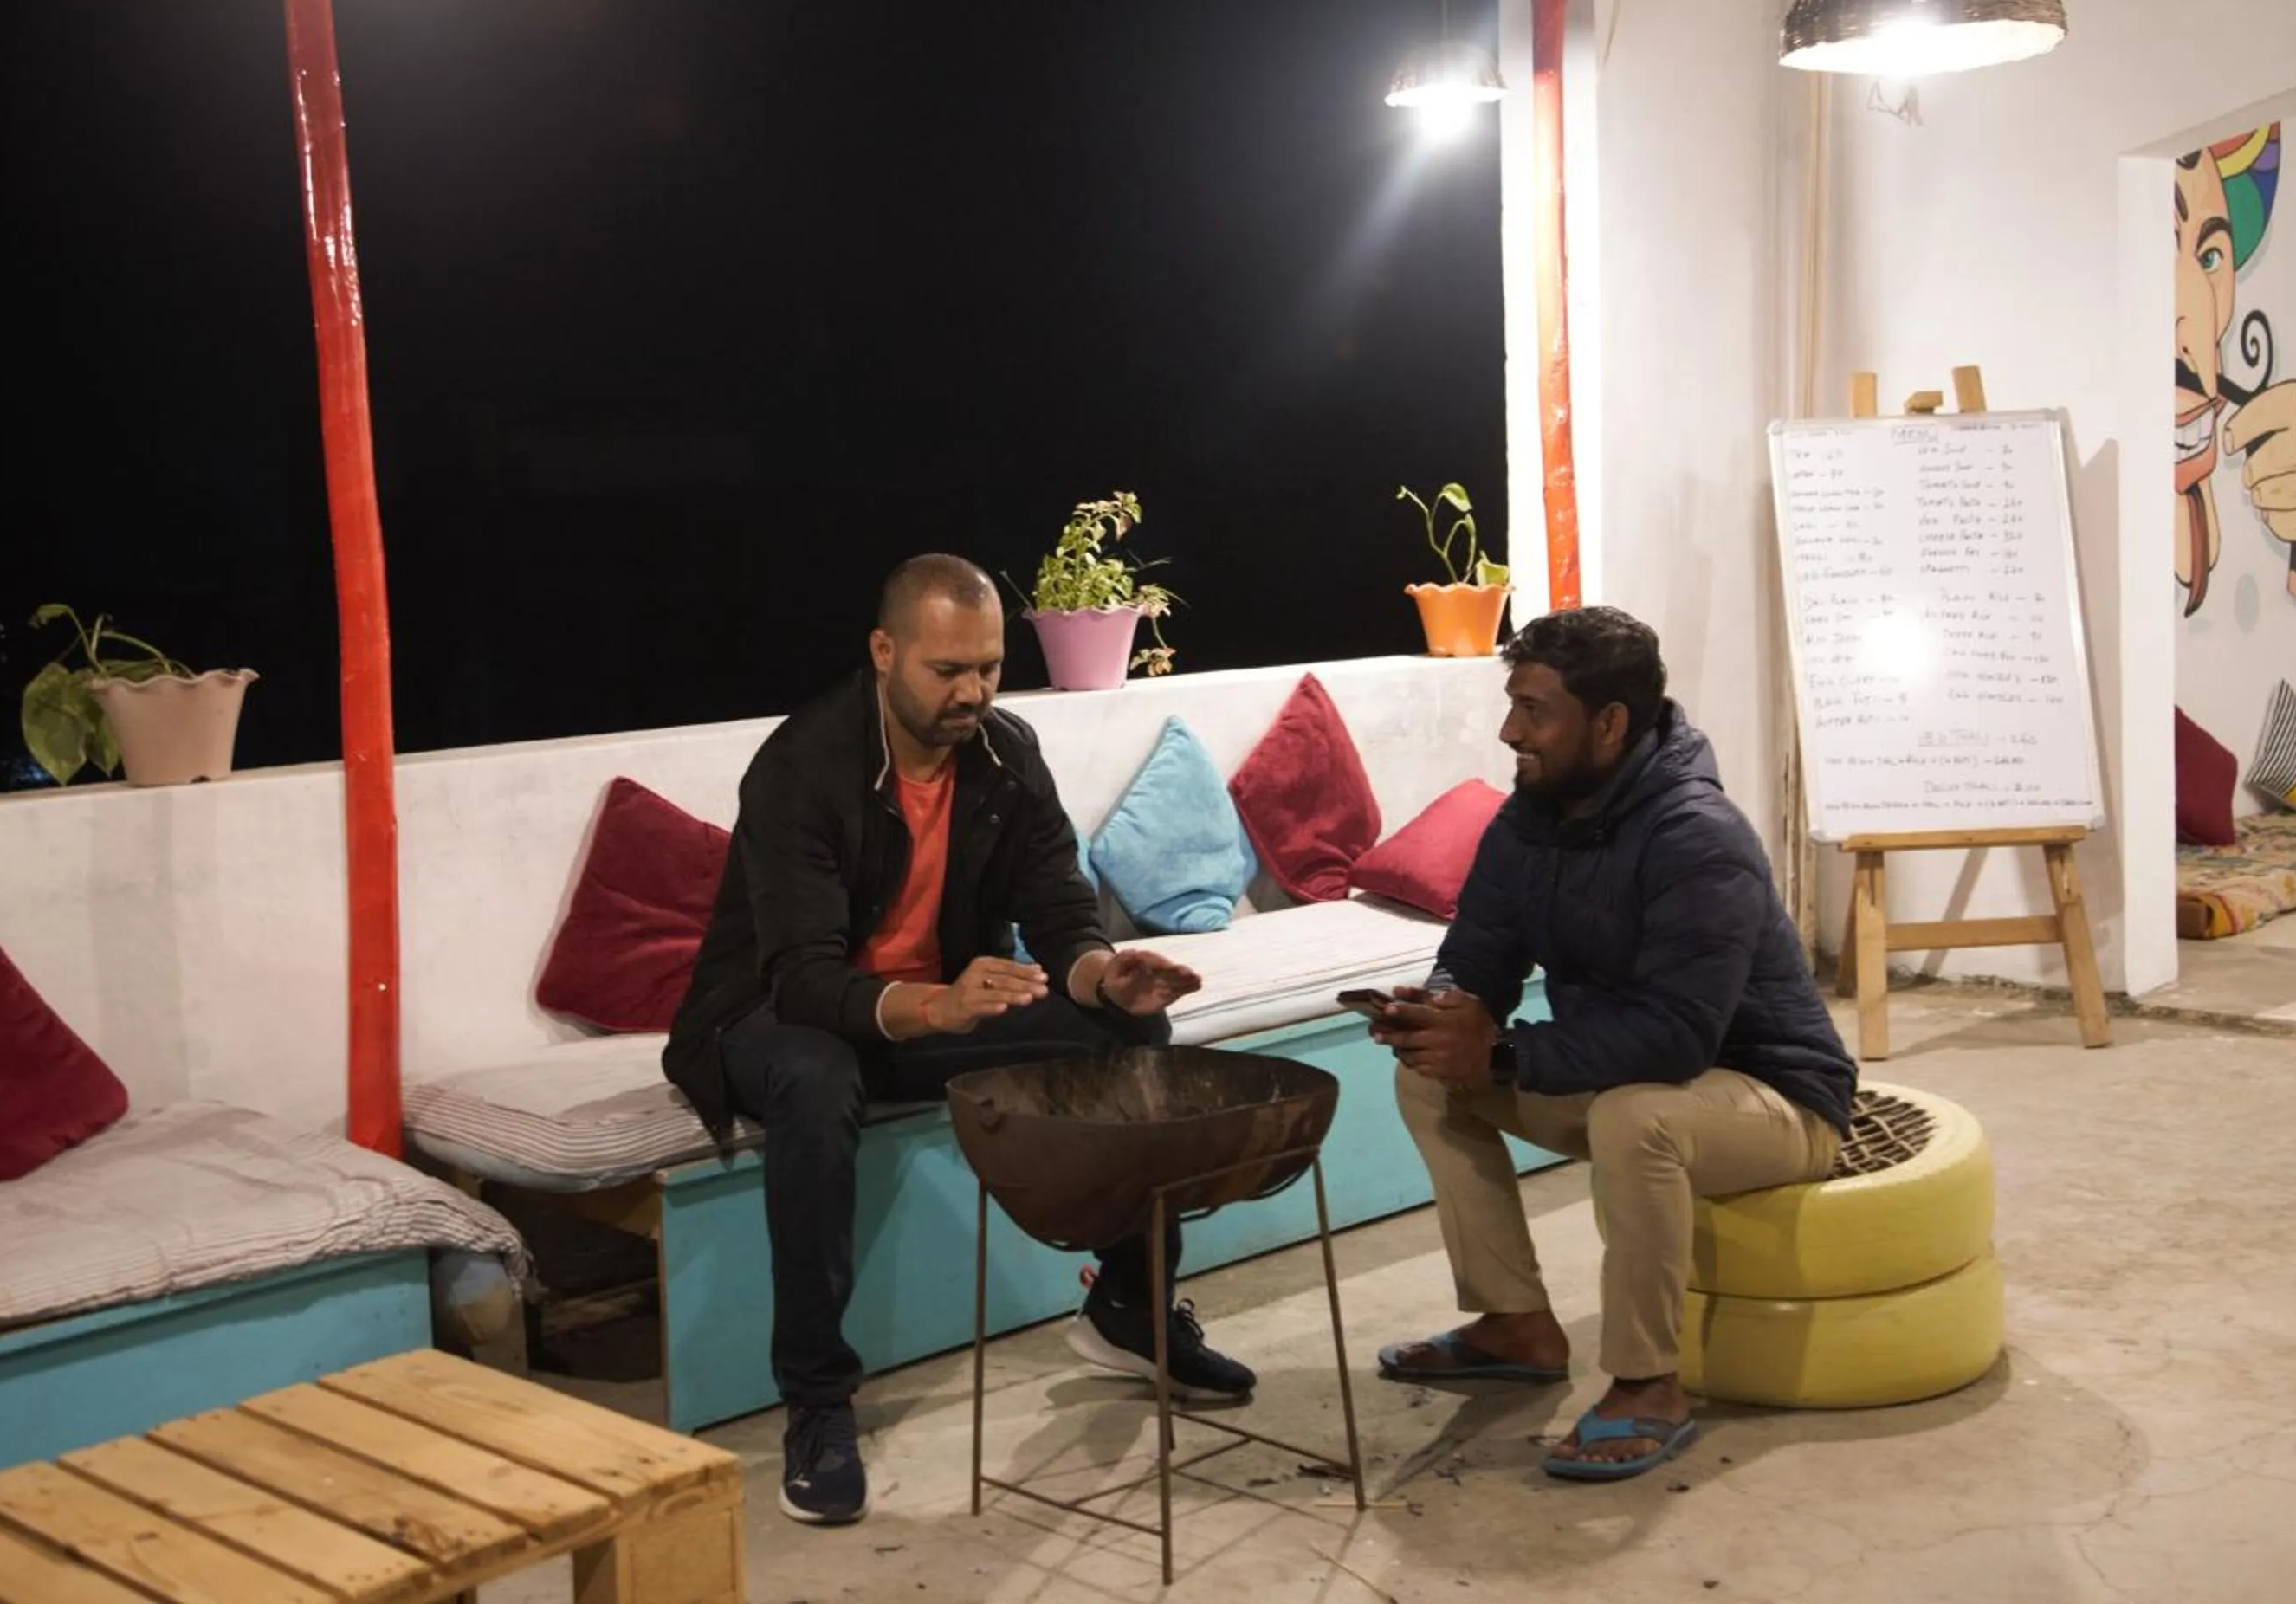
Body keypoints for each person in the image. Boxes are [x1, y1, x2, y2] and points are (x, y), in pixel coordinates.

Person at [663, 553, 1255, 1528]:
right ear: (885, 651)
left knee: (1135, 1022)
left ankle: (1129, 1305)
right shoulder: (803, 766)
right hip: (766, 1019)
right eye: (949, 670)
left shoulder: (1006, 753)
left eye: (988, 667)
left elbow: (1063, 914)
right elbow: (803, 979)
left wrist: (1102, 973)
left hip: (931, 1010)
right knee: (817, 1077)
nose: (973, 691)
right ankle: (816, 1399)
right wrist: (932, 1005)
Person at [1369, 605, 1857, 1482]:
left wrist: (1508, 1054)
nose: (1509, 729)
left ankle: (1647, 1382)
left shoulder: (1698, 837)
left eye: (1534, 709)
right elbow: (1476, 954)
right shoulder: (1529, 818)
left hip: (1774, 1095)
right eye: (1511, 703)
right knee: (1430, 1078)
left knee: (1640, 1119)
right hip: (1637, 1075)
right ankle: (1514, 1323)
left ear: (1610, 722)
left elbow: (1676, 1035)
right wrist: (1438, 1013)